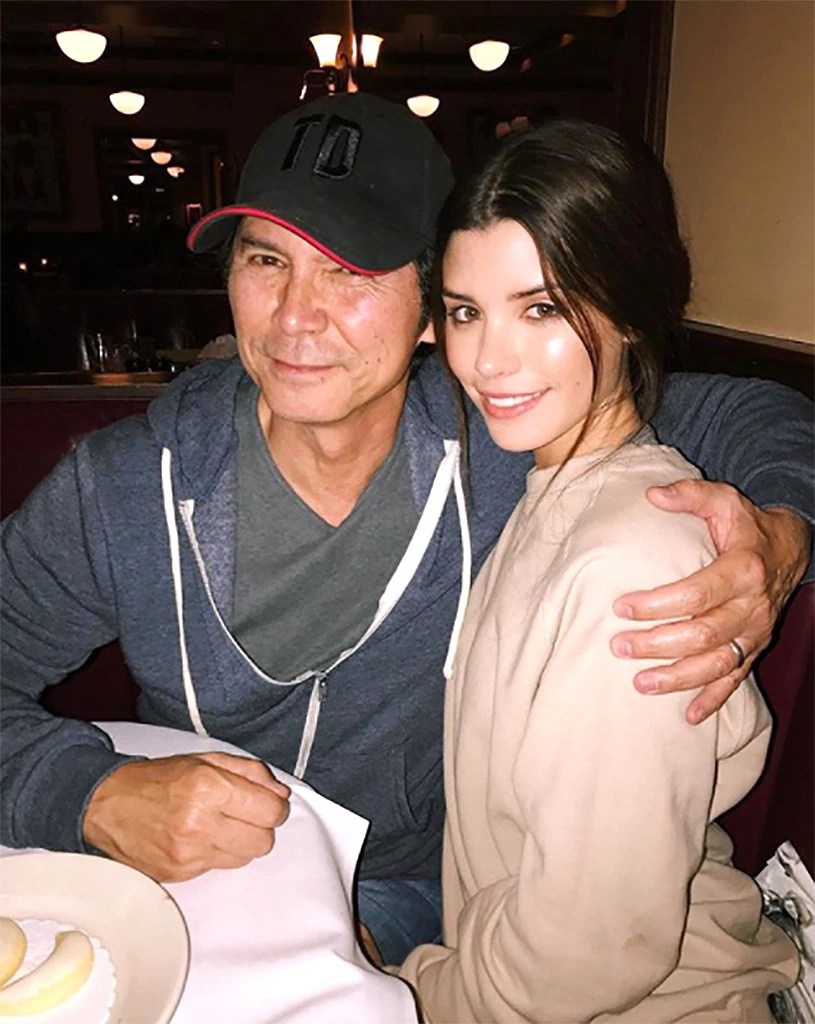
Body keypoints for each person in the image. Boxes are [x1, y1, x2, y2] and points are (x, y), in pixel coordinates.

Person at [1, 94, 812, 968]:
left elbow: (755, 413)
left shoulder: (506, 435)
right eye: (265, 260)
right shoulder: (124, 488)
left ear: (433, 307)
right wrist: (88, 793)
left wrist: (782, 536)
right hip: (195, 886)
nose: (294, 316)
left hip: (413, 889)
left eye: (349, 272)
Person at [398, 119, 801, 1019]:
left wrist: (409, 990)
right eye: (465, 311)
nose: (488, 359)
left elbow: (578, 959)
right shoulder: (553, 482)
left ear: (627, 308)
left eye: (541, 308)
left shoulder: (633, 564)